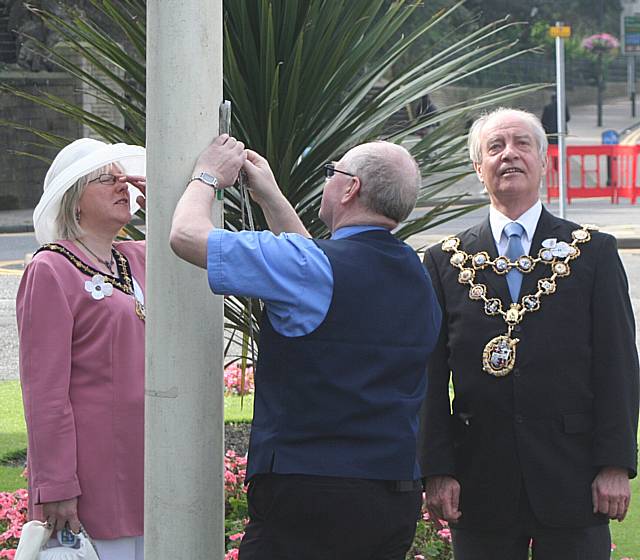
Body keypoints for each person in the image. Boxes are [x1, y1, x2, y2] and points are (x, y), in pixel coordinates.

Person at [170, 135, 442, 560]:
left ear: (351, 188)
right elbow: (316, 270)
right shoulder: (418, 273)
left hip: (309, 491)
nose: (327, 181)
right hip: (393, 496)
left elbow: (186, 236)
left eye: (332, 172)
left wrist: (207, 176)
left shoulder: (314, 268)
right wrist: (271, 196)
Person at [419, 107, 639, 559]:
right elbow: (428, 375)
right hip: (478, 479)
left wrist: (615, 464)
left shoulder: (592, 252)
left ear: (545, 162)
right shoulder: (445, 261)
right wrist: (437, 469)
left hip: (573, 476)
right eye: (494, 147)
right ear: (478, 169)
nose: (509, 155)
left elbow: (618, 364)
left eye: (522, 144)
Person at [16, 138, 147, 560]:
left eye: (125, 178)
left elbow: (196, 241)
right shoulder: (51, 268)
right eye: (107, 180)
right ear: (74, 201)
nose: (122, 186)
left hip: (148, 460)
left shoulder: (135, 258)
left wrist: (161, 196)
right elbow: (45, 392)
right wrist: (55, 485)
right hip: (94, 473)